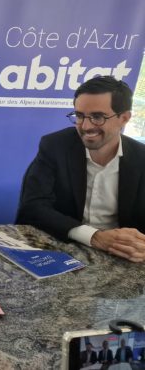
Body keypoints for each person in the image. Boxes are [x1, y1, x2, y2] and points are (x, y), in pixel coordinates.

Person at [16, 76, 145, 263]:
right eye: (79, 116)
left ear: (124, 118)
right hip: (62, 247)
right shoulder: (55, 146)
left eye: (98, 117)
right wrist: (94, 236)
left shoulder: (141, 158)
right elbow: (32, 207)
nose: (85, 126)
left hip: (122, 257)